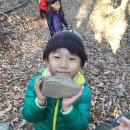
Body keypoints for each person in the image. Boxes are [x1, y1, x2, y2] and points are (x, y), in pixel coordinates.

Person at [22, 31, 92, 130]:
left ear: (81, 64)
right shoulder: (37, 84)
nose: (64, 64)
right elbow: (29, 117)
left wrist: (68, 108)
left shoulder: (82, 92)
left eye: (72, 58)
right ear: (47, 60)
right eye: (57, 57)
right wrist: (40, 101)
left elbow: (82, 126)